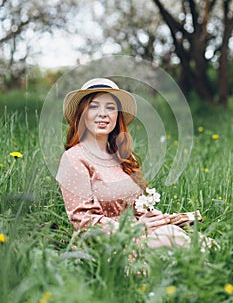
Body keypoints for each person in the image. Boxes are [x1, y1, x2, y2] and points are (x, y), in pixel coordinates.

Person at [56, 78, 193, 249]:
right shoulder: (74, 158)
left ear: (117, 115)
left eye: (110, 107)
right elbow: (83, 221)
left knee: (197, 241)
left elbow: (136, 208)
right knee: (175, 241)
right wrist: (134, 228)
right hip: (107, 244)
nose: (103, 113)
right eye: (94, 106)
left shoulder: (124, 158)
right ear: (82, 113)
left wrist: (150, 218)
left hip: (139, 234)